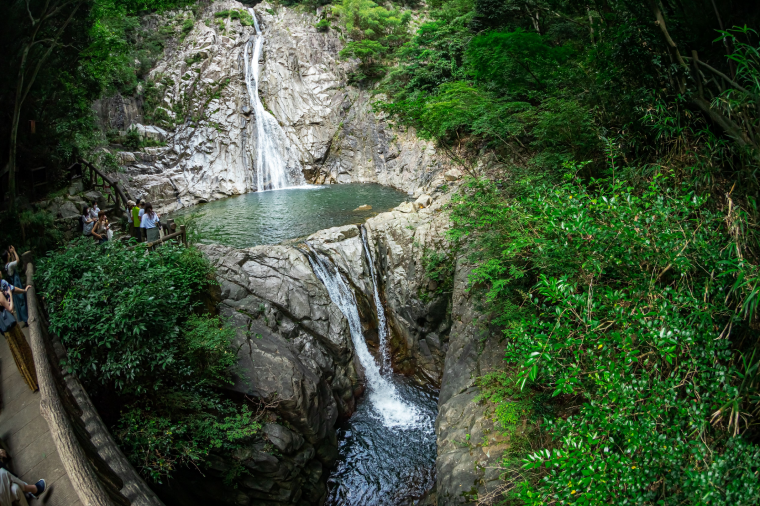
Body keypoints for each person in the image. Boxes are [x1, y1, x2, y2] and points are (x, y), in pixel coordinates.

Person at [0, 281, 38, 392]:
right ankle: (34, 379)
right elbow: (10, 308)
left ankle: (31, 381)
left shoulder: (2, 285)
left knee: (18, 353)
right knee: (22, 350)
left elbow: (13, 288)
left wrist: (24, 290)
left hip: (6, 329)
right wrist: (10, 296)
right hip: (11, 328)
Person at [2, 246, 28, 326]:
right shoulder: (9, 265)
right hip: (16, 283)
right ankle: (26, 318)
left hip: (13, 283)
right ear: (7, 256)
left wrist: (12, 253)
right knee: (21, 300)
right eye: (8, 253)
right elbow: (17, 261)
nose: (9, 254)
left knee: (18, 301)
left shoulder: (6, 266)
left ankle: (24, 318)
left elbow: (13, 262)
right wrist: (14, 251)